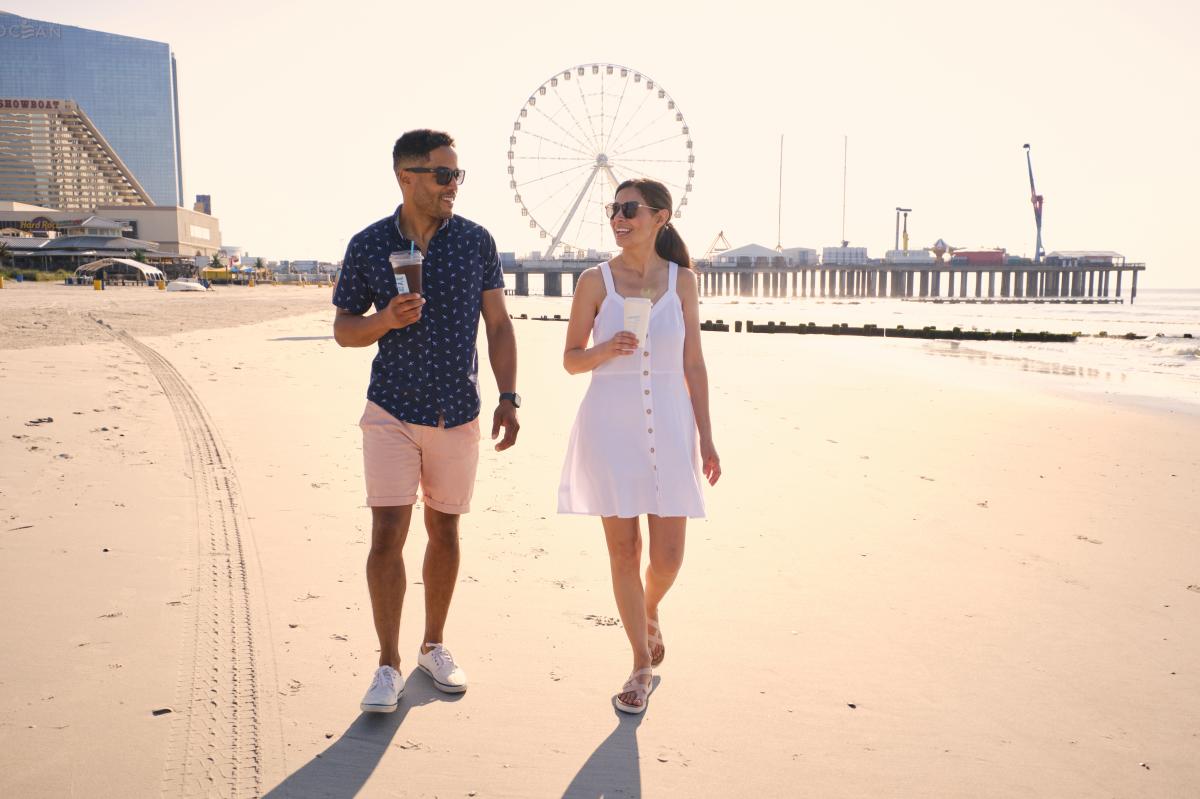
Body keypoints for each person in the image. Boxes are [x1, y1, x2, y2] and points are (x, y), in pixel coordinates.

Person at [333, 129, 520, 713]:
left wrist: (509, 397)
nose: (453, 186)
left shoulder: (475, 241)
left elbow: (499, 324)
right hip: (391, 407)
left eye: (458, 175)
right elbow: (344, 329)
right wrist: (385, 319)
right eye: (443, 175)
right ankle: (387, 665)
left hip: (457, 410)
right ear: (406, 177)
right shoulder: (368, 245)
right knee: (387, 534)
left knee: (445, 533)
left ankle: (433, 645)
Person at [558, 178, 721, 714]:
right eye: (614, 208)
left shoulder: (683, 282)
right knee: (624, 551)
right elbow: (571, 359)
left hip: (672, 428)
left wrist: (708, 437)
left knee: (669, 558)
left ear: (660, 217)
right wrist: (605, 349)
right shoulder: (594, 281)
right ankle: (639, 664)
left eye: (629, 208)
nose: (618, 216)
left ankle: (648, 609)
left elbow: (693, 363)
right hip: (611, 429)